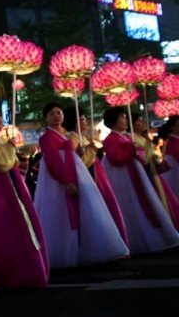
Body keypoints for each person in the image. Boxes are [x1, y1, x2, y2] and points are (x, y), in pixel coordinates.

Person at [34, 102, 129, 269]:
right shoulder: (47, 138)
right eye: (52, 114)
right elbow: (53, 161)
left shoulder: (65, 135)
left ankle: (81, 249)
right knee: (60, 214)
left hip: (75, 172)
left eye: (59, 113)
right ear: (45, 118)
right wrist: (66, 181)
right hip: (57, 181)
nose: (56, 117)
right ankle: (64, 253)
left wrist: (77, 154)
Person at [0, 103, 49, 289]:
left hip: (9, 187)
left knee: (17, 225)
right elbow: (2, 163)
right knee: (5, 226)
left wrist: (8, 148)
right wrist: (9, 147)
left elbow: (11, 161)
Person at [99, 107, 179, 254]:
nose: (125, 120)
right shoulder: (110, 139)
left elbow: (141, 157)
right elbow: (116, 158)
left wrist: (137, 151)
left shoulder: (127, 137)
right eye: (122, 117)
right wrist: (132, 150)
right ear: (114, 120)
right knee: (131, 206)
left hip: (134, 174)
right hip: (122, 179)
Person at [62, 107, 127, 245]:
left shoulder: (80, 138)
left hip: (97, 176)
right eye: (82, 119)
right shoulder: (72, 139)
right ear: (75, 121)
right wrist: (91, 150)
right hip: (89, 179)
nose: (85, 121)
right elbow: (80, 164)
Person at [133, 114, 179, 230]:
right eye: (139, 120)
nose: (143, 123)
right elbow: (144, 158)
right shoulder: (173, 142)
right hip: (148, 173)